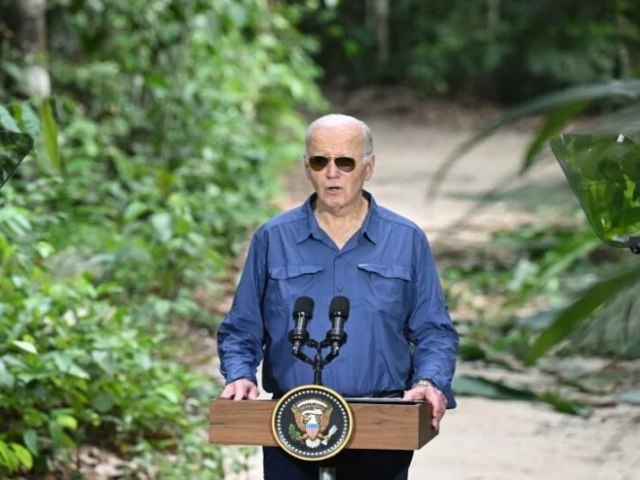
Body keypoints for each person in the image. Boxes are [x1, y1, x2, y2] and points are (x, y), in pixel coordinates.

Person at [217, 113, 458, 480]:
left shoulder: (405, 240)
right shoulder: (273, 239)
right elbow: (241, 328)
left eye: (344, 162)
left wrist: (429, 382)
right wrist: (239, 375)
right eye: (320, 161)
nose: (332, 173)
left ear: (368, 167)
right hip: (293, 422)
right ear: (307, 168)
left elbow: (434, 331)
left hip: (380, 421)